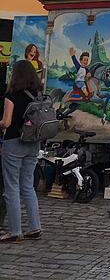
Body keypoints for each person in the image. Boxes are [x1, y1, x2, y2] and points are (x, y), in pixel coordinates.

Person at [0, 60, 43, 242]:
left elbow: (6, 122)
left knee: (11, 187)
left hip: (14, 143)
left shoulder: (12, 95)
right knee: (28, 186)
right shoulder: (38, 94)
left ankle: (15, 230)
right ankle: (34, 227)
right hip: (33, 144)